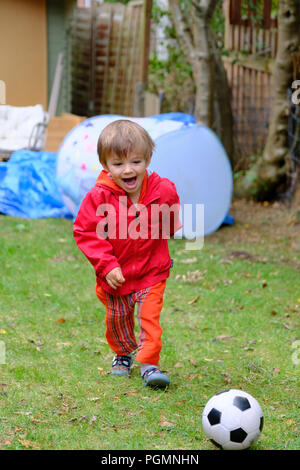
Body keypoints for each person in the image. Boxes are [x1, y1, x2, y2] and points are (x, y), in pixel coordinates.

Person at [73, 119, 182, 388]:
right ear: (106, 166)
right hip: (116, 276)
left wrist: (166, 229)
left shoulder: (162, 189)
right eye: (118, 164)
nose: (128, 169)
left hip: (151, 271)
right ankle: (123, 353)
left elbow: (170, 214)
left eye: (135, 161)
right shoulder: (99, 197)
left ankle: (149, 365)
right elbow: (87, 232)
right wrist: (106, 265)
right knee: (118, 319)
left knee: (149, 317)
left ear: (147, 158)